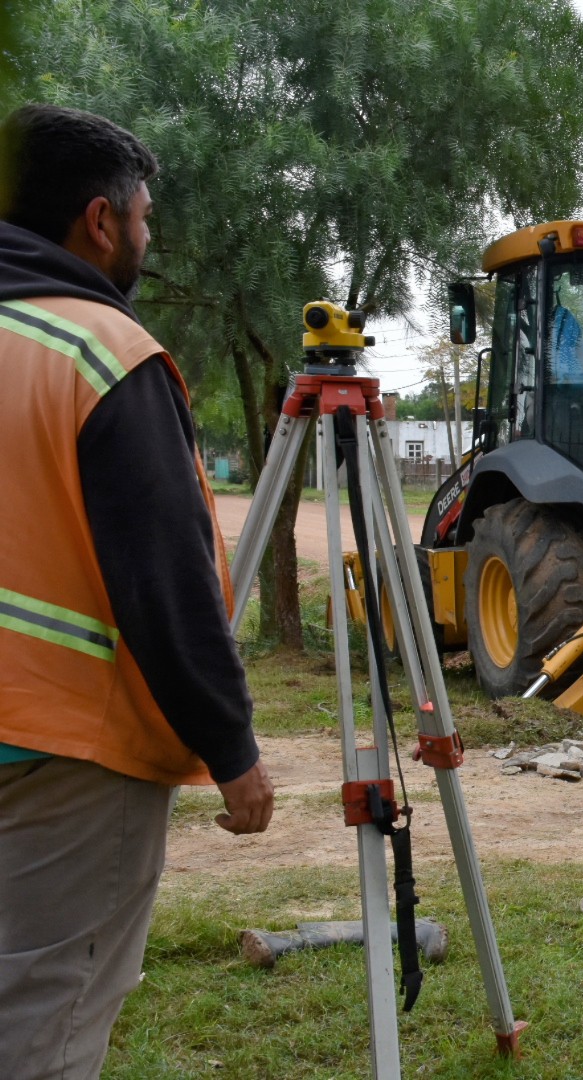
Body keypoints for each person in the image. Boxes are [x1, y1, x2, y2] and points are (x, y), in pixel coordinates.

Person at [0, 104, 273, 1079]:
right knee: (46, 1013)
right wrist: (231, 747)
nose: (148, 240)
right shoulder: (103, 353)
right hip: (68, 751)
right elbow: (167, 582)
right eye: (145, 218)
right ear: (100, 221)